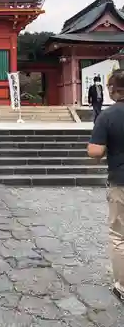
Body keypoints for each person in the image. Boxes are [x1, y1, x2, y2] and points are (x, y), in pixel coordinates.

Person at [87, 69, 124, 301]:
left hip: (121, 180)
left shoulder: (108, 116)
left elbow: (96, 151)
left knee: (119, 235)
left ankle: (122, 285)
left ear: (112, 89)